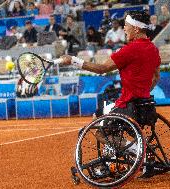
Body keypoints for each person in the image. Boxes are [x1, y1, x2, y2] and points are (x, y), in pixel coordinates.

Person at [61, 10, 161, 178]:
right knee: (100, 113)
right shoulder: (153, 48)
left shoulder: (129, 50)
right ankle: (111, 159)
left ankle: (137, 152)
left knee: (100, 132)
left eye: (127, 25)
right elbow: (156, 77)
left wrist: (73, 60)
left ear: (136, 29)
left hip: (128, 106)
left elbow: (102, 69)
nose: (124, 28)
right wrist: (142, 92)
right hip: (145, 105)